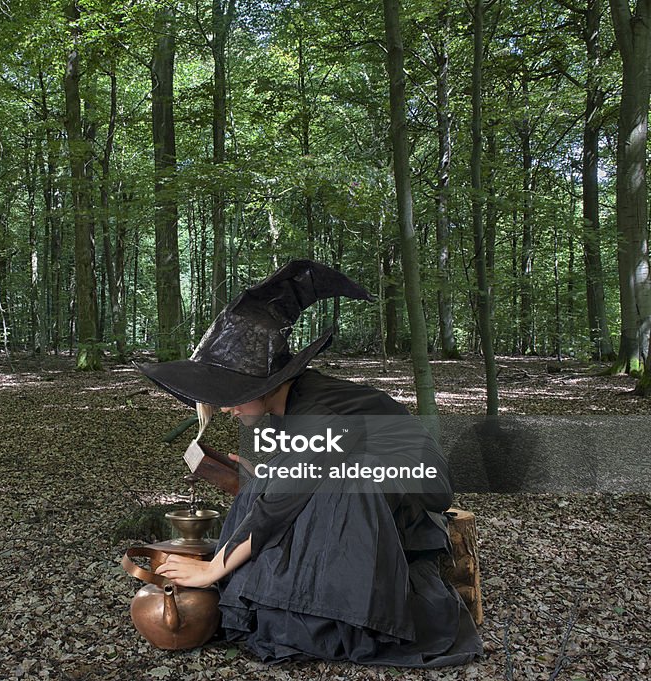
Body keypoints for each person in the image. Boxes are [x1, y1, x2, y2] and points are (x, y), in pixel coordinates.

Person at [137, 260, 483, 667]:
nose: (227, 409)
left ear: (267, 385)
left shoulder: (318, 411)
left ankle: (342, 618)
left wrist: (212, 570)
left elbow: (286, 498)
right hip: (365, 473)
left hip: (409, 489)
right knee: (269, 489)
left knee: (314, 497)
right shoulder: (293, 404)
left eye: (233, 396)